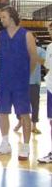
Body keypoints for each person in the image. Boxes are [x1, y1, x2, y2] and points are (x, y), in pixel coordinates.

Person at [0, 6, 38, 160]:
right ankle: (5, 144)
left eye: (3, 17)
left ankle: (25, 146)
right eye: (0, 17)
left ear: (11, 17)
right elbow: (2, 58)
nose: (1, 20)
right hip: (3, 81)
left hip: (20, 82)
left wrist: (25, 75)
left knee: (24, 114)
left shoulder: (27, 35)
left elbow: (34, 58)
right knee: (2, 112)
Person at [13, 33, 45, 134]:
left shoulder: (40, 50)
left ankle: (34, 125)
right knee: (19, 104)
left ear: (35, 39)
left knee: (35, 104)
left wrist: (35, 56)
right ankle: (20, 121)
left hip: (34, 82)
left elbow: (45, 62)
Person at [38, 22, 52, 164]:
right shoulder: (49, 48)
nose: (50, 32)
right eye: (49, 30)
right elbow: (48, 68)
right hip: (51, 89)